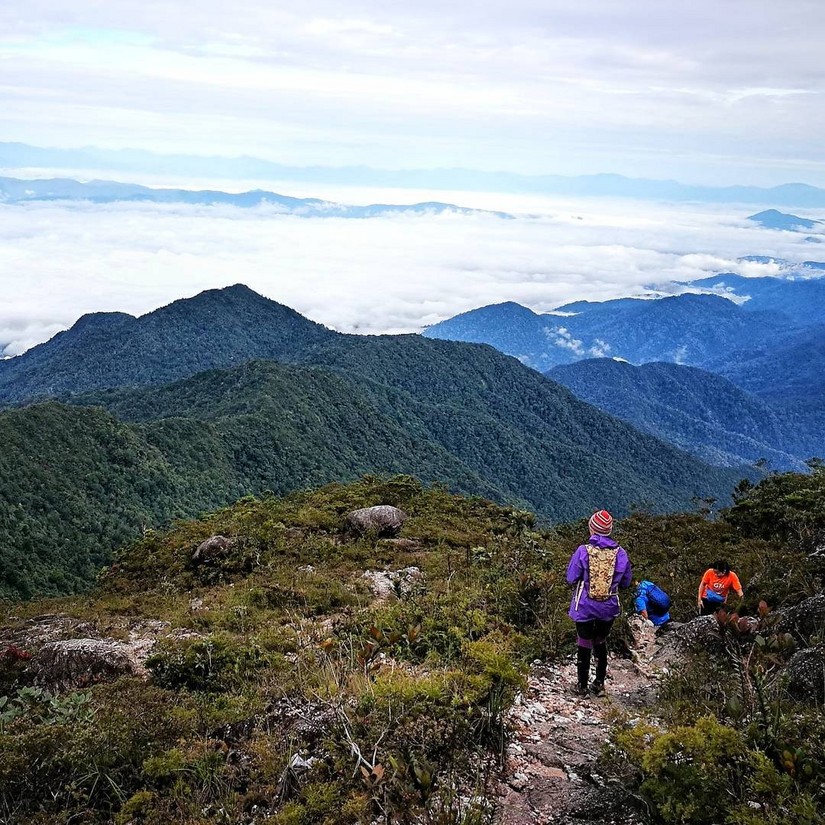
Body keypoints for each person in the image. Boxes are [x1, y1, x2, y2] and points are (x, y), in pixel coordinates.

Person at [566, 509, 632, 696]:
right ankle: (599, 682)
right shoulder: (621, 554)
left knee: (584, 641)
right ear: (609, 530)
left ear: (592, 529)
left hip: (584, 605)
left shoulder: (583, 551)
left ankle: (582, 685)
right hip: (608, 607)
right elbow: (626, 582)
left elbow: (571, 578)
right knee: (600, 641)